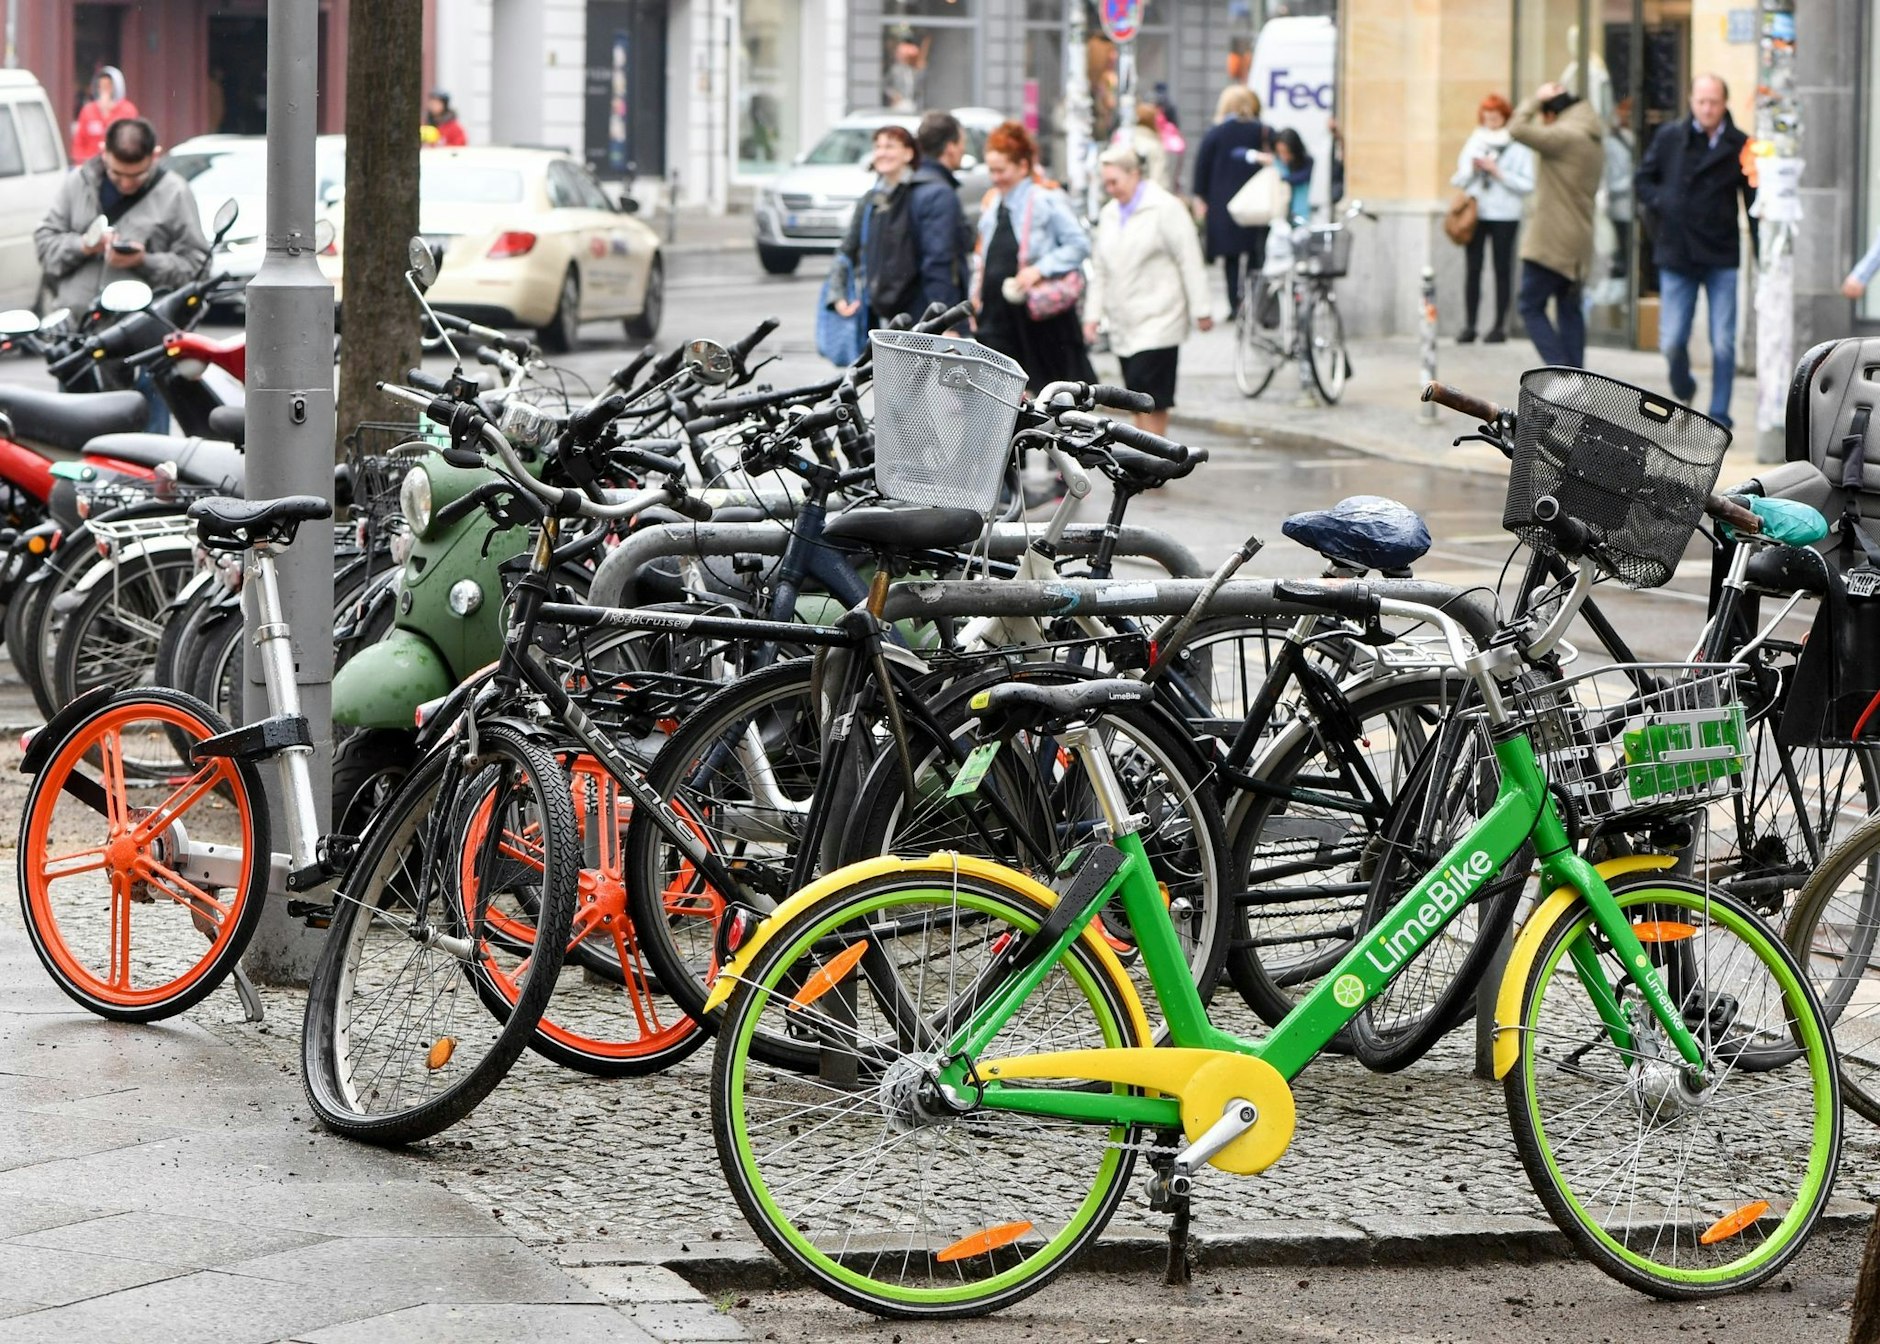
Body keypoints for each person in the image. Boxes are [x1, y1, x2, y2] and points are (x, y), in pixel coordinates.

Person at [36, 118, 207, 432]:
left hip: (143, 347)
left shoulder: (174, 193)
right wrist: (85, 246)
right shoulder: (78, 184)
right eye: (118, 174)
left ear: (155, 156)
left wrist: (145, 261)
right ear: (103, 153)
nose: (126, 184)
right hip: (79, 341)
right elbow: (45, 246)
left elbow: (197, 267)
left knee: (147, 451)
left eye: (137, 175)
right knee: (76, 445)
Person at [1635, 75, 1753, 427]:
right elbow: (1643, 179)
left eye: (1714, 102)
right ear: (1691, 101)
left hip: (1720, 254)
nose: (1707, 109)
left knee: (1723, 344)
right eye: (1701, 101)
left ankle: (1719, 415)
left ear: (1725, 103)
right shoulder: (1671, 136)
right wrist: (1664, 202)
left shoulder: (1739, 144)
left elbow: (1752, 201)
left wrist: (1764, 252)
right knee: (1671, 340)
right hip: (1677, 252)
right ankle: (1684, 385)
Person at [1083, 145, 1215, 436]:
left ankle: (1154, 460)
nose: (1111, 189)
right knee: (1135, 395)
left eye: (1115, 181)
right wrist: (1092, 316)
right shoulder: (1109, 215)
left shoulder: (1165, 208)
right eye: (1106, 183)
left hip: (1160, 315)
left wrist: (1202, 309)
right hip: (1124, 319)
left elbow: (1189, 258)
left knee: (1153, 396)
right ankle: (1147, 460)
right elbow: (1100, 269)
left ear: (1134, 175)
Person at [971, 121, 1096, 391]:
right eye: (991, 170)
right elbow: (983, 257)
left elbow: (1079, 244)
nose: (995, 177)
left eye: (1001, 170)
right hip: (998, 317)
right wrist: (975, 300)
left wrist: (1039, 270)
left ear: (1023, 166)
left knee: (1045, 395)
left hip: (1036, 319)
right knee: (999, 395)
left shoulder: (1045, 199)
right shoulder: (993, 203)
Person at [1509, 83, 1604, 369]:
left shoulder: (1565, 135)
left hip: (1552, 240)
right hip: (1578, 242)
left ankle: (1560, 368)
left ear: (1551, 114)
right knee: (1569, 310)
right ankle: (1577, 377)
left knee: (1530, 305)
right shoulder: (1591, 134)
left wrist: (1535, 100)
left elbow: (1517, 129)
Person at [1451, 93, 1535, 344]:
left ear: (1504, 117)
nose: (1491, 122)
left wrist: (1498, 173)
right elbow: (1458, 178)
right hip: (1477, 213)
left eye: (1496, 117)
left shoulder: (1518, 144)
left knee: (1502, 269)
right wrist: (1473, 170)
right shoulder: (1475, 140)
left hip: (1505, 214)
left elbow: (1527, 184)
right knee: (1473, 269)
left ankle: (1499, 325)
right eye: (1487, 117)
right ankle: (1470, 325)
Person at [832, 125, 926, 327]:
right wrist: (838, 294)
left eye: (890, 146)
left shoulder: (921, 194)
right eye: (878, 147)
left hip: (916, 308)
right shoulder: (870, 200)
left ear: (908, 153)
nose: (882, 153)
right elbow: (847, 250)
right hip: (877, 307)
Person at [1190, 85, 1270, 317]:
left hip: (1223, 203)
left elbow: (1201, 167)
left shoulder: (1216, 132)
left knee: (1232, 259)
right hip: (1256, 203)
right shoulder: (1260, 130)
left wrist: (1200, 197)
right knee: (1255, 254)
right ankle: (1255, 303)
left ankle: (1235, 306)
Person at [911, 111, 974, 313]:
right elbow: (938, 260)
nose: (964, 149)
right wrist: (944, 319)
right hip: (933, 310)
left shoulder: (914, 183)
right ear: (950, 148)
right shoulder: (940, 193)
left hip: (914, 304)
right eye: (961, 142)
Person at [70, 67, 138, 163]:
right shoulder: (88, 110)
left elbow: (132, 140)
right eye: (101, 86)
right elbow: (79, 142)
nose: (104, 90)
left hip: (118, 164)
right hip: (91, 165)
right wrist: (80, 163)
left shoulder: (128, 110)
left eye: (108, 86)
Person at [1252, 128, 1313, 224]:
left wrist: (1281, 177)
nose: (1284, 156)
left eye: (1286, 152)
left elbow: (1301, 177)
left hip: (1300, 215)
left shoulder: (1307, 162)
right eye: (1280, 152)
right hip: (1279, 216)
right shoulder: (1277, 162)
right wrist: (1256, 156)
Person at [883, 37, 924, 113]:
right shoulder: (895, 70)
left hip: (913, 104)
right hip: (899, 103)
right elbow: (886, 85)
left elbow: (920, 89)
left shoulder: (916, 70)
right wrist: (894, 95)